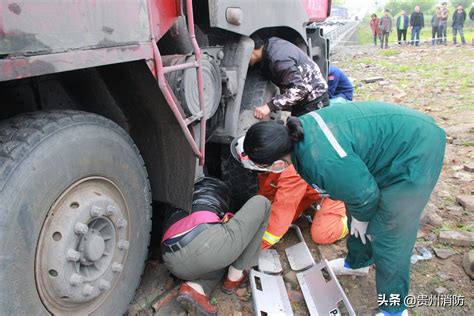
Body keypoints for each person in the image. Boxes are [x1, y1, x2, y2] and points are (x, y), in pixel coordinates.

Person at [239, 101, 446, 316]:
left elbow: (366, 195)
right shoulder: (298, 134)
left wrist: (363, 215)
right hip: (387, 148)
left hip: (416, 149)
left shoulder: (321, 161)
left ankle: (395, 310)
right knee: (355, 213)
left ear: (277, 163)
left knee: (390, 235)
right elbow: (354, 189)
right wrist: (359, 214)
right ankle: (358, 263)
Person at [161, 177, 271, 315]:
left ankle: (195, 288)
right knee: (263, 203)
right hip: (203, 247)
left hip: (171, 259)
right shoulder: (218, 191)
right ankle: (236, 275)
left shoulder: (179, 192)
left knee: (218, 256)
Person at [231, 138, 348, 248]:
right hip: (314, 186)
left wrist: (252, 247)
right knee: (280, 217)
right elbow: (267, 193)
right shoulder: (275, 150)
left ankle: (353, 216)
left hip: (342, 188)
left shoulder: (293, 172)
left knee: (322, 234)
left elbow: (279, 218)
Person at [249, 36, 328, 119]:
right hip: (306, 98)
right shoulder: (272, 44)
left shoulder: (279, 60)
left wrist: (269, 106)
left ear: (252, 49)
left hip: (314, 101)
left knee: (305, 130)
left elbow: (300, 90)